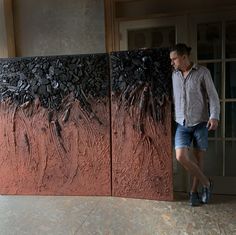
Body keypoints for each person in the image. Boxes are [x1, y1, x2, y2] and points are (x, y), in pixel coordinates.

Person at [170, 43, 220, 206]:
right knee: (181, 157)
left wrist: (214, 116)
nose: (172, 62)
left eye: (174, 59)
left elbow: (213, 96)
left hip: (200, 123)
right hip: (181, 123)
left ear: (184, 57)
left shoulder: (203, 72)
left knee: (199, 161)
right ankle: (207, 183)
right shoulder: (173, 75)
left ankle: (193, 192)